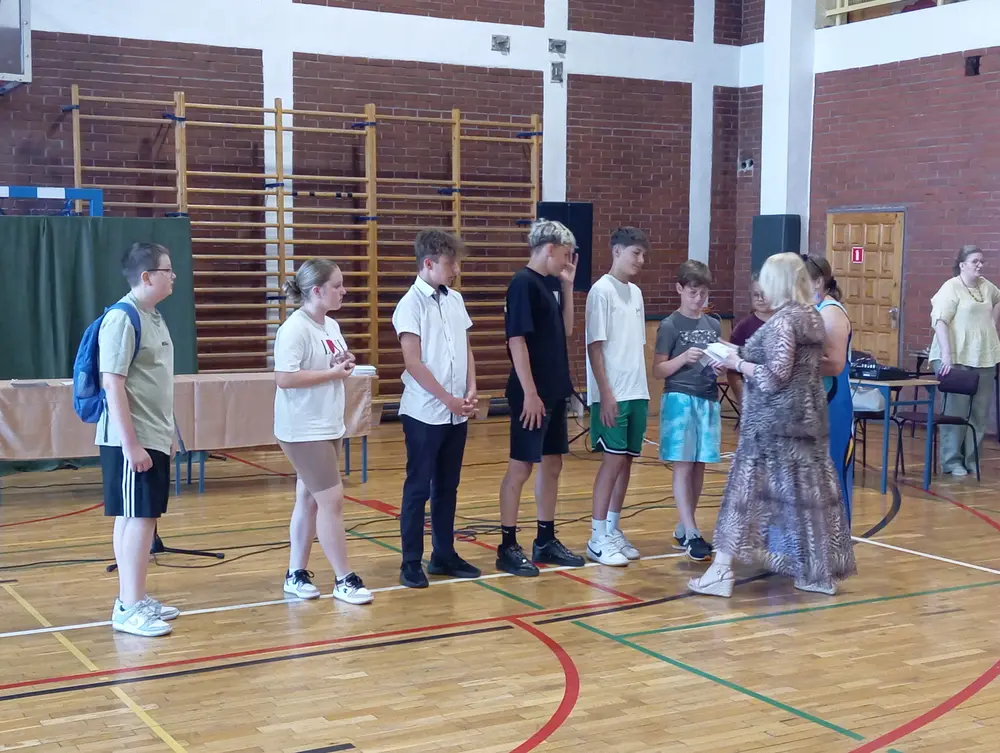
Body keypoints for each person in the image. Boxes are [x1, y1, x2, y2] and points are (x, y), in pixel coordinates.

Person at [687, 253, 857, 597]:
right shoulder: (810, 316)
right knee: (807, 498)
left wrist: (736, 363)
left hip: (771, 425)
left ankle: (720, 572)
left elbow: (773, 376)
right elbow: (790, 363)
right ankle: (816, 574)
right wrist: (736, 354)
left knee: (741, 496)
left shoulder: (783, 321)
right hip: (805, 420)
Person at [274, 259, 373, 606]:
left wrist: (341, 363)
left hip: (328, 423)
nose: (343, 291)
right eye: (337, 285)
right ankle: (344, 579)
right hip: (303, 429)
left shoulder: (330, 325)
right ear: (317, 290)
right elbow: (284, 378)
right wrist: (332, 374)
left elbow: (326, 365)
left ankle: (295, 574)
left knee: (308, 499)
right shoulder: (294, 329)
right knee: (332, 500)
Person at [392, 229, 482, 588]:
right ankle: (410, 561)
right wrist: (447, 398)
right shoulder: (410, 305)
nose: (456, 269)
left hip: (455, 411)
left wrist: (471, 388)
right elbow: (413, 362)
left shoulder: (455, 300)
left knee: (448, 485)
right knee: (419, 487)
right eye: (450, 263)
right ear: (428, 264)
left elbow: (465, 348)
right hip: (424, 412)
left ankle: (443, 554)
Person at [98, 242, 180, 637]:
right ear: (146, 276)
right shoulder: (122, 318)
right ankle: (129, 607)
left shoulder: (154, 317)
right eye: (167, 270)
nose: (173, 276)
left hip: (154, 434)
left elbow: (155, 382)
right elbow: (112, 384)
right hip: (133, 438)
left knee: (135, 517)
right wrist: (131, 444)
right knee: (139, 518)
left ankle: (132, 597)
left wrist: (170, 432)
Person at [497, 218, 586, 576]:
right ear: (549, 248)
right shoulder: (522, 283)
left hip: (554, 390)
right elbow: (516, 340)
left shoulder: (547, 285)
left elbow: (567, 329)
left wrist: (567, 286)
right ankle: (507, 545)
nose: (566, 261)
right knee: (521, 467)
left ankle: (545, 539)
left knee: (553, 464)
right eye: (565, 255)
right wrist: (530, 393)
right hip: (531, 393)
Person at [584, 227, 650, 566]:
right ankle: (596, 537)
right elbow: (595, 347)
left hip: (636, 390)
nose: (641, 260)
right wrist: (605, 394)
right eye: (635, 253)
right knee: (611, 462)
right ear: (617, 251)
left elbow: (636, 345)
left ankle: (612, 529)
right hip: (613, 393)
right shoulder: (601, 291)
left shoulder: (636, 293)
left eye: (643, 254)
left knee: (626, 462)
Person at [652, 260, 721, 562]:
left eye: (703, 293)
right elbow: (658, 370)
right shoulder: (670, 325)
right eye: (693, 293)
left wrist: (719, 365)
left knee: (699, 464)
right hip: (680, 398)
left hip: (707, 397)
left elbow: (716, 358)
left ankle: (685, 525)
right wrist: (682, 359)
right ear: (680, 289)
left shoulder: (713, 325)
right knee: (683, 465)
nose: (698, 299)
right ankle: (692, 532)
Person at [928, 244, 1000, 476]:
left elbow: (998, 299)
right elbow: (940, 321)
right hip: (955, 356)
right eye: (974, 261)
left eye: (981, 261)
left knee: (979, 412)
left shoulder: (987, 287)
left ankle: (972, 459)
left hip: (984, 355)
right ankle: (951, 461)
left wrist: (992, 324)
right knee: (956, 411)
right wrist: (946, 355)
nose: (979, 265)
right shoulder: (951, 288)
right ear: (962, 265)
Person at [804, 256, 854, 523]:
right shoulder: (813, 309)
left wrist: (791, 361)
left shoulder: (830, 311)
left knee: (830, 478)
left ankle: (837, 541)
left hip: (833, 401)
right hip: (816, 400)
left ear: (817, 282)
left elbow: (834, 364)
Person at [726, 274, 773, 411]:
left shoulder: (784, 324)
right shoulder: (743, 327)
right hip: (752, 398)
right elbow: (732, 371)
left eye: (764, 294)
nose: (760, 299)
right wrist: (743, 400)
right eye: (756, 295)